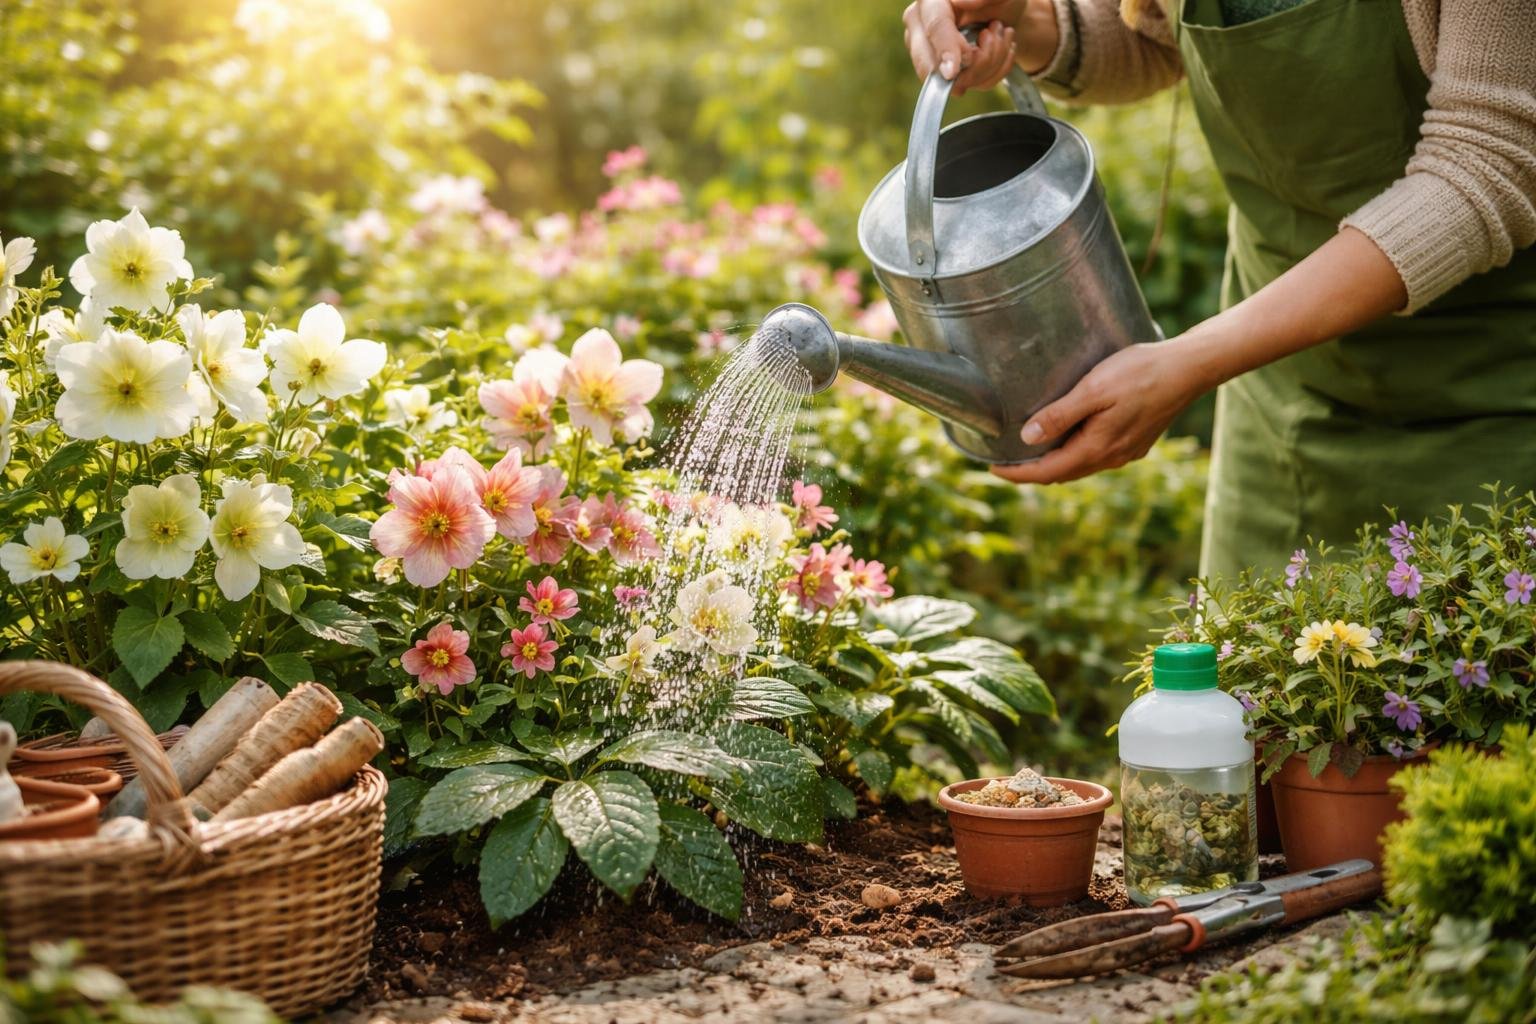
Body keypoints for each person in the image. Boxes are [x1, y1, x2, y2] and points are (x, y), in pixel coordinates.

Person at [901, 0, 1536, 579]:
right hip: (1280, 392)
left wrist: (1194, 359)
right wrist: (1026, 21)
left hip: (1487, 391)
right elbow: (1154, 36)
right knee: (1240, 699)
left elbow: (1488, 160)